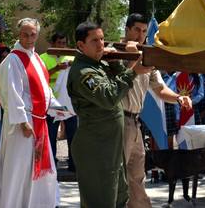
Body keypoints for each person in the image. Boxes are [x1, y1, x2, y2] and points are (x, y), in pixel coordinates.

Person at [121, 14, 192, 208]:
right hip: (118, 120)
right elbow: (114, 84)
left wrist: (178, 98)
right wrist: (130, 60)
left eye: (144, 31)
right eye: (137, 30)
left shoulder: (147, 56)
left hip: (135, 123)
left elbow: (160, 89)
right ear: (127, 30)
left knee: (137, 175)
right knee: (118, 175)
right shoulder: (114, 53)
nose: (141, 35)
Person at [68, 21, 139, 208]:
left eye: (102, 39)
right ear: (81, 45)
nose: (101, 44)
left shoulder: (98, 66)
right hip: (96, 149)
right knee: (100, 202)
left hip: (111, 147)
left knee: (119, 198)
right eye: (94, 41)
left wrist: (116, 65)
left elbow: (119, 85)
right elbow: (109, 97)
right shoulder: (84, 72)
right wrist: (133, 71)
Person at [0, 18, 59, 208]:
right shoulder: (13, 60)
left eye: (33, 35)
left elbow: (45, 90)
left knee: (38, 168)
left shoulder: (36, 58)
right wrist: (22, 121)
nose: (29, 39)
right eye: (25, 34)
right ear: (19, 34)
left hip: (39, 120)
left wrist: (59, 108)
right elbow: (11, 92)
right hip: (23, 124)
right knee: (19, 169)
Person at [40, 32, 77, 172]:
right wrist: (56, 68)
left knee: (73, 134)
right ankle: (51, 165)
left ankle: (73, 164)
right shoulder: (43, 58)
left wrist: (73, 66)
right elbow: (40, 77)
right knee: (51, 134)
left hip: (68, 102)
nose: (62, 46)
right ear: (52, 43)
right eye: (59, 43)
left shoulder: (71, 57)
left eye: (64, 43)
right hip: (52, 102)